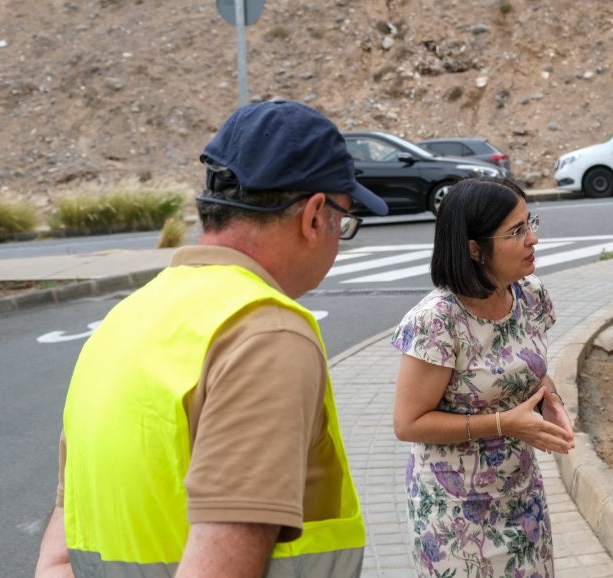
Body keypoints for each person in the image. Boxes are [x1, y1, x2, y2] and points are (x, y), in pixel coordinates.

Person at [34, 99, 388, 578]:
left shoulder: (122, 321)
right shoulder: (266, 334)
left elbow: (57, 560)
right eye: (344, 223)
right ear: (314, 215)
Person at [390, 177, 575, 577]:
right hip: (454, 515)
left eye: (531, 224)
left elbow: (527, 371)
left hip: (521, 499)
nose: (533, 240)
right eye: (516, 231)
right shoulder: (436, 321)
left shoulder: (529, 294)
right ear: (475, 248)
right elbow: (408, 424)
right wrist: (504, 424)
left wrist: (551, 400)